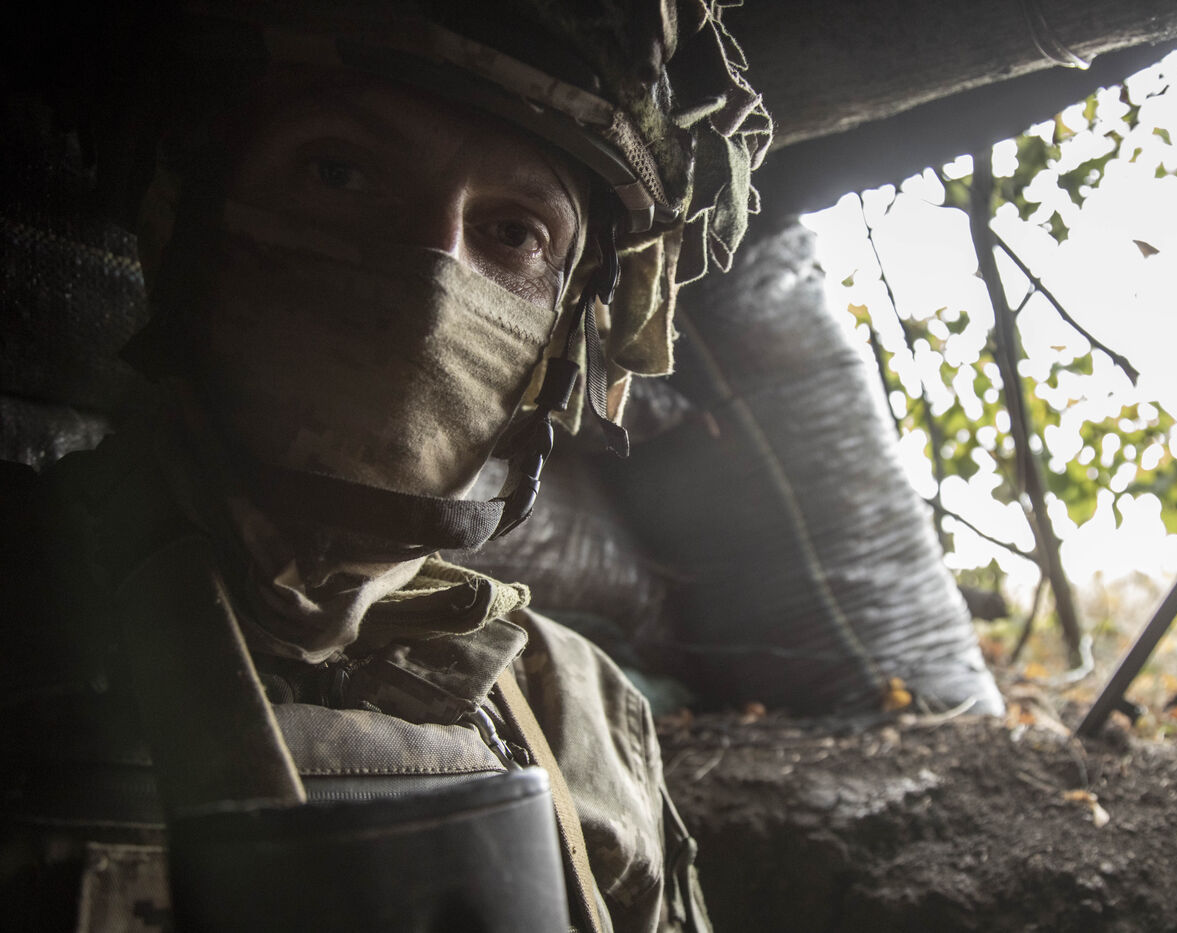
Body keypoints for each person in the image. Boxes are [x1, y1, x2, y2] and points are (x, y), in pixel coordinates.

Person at [0, 2, 770, 930]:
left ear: (561, 337)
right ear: (180, 229)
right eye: (340, 171)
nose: (432, 274)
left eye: (514, 232)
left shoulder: (580, 709)